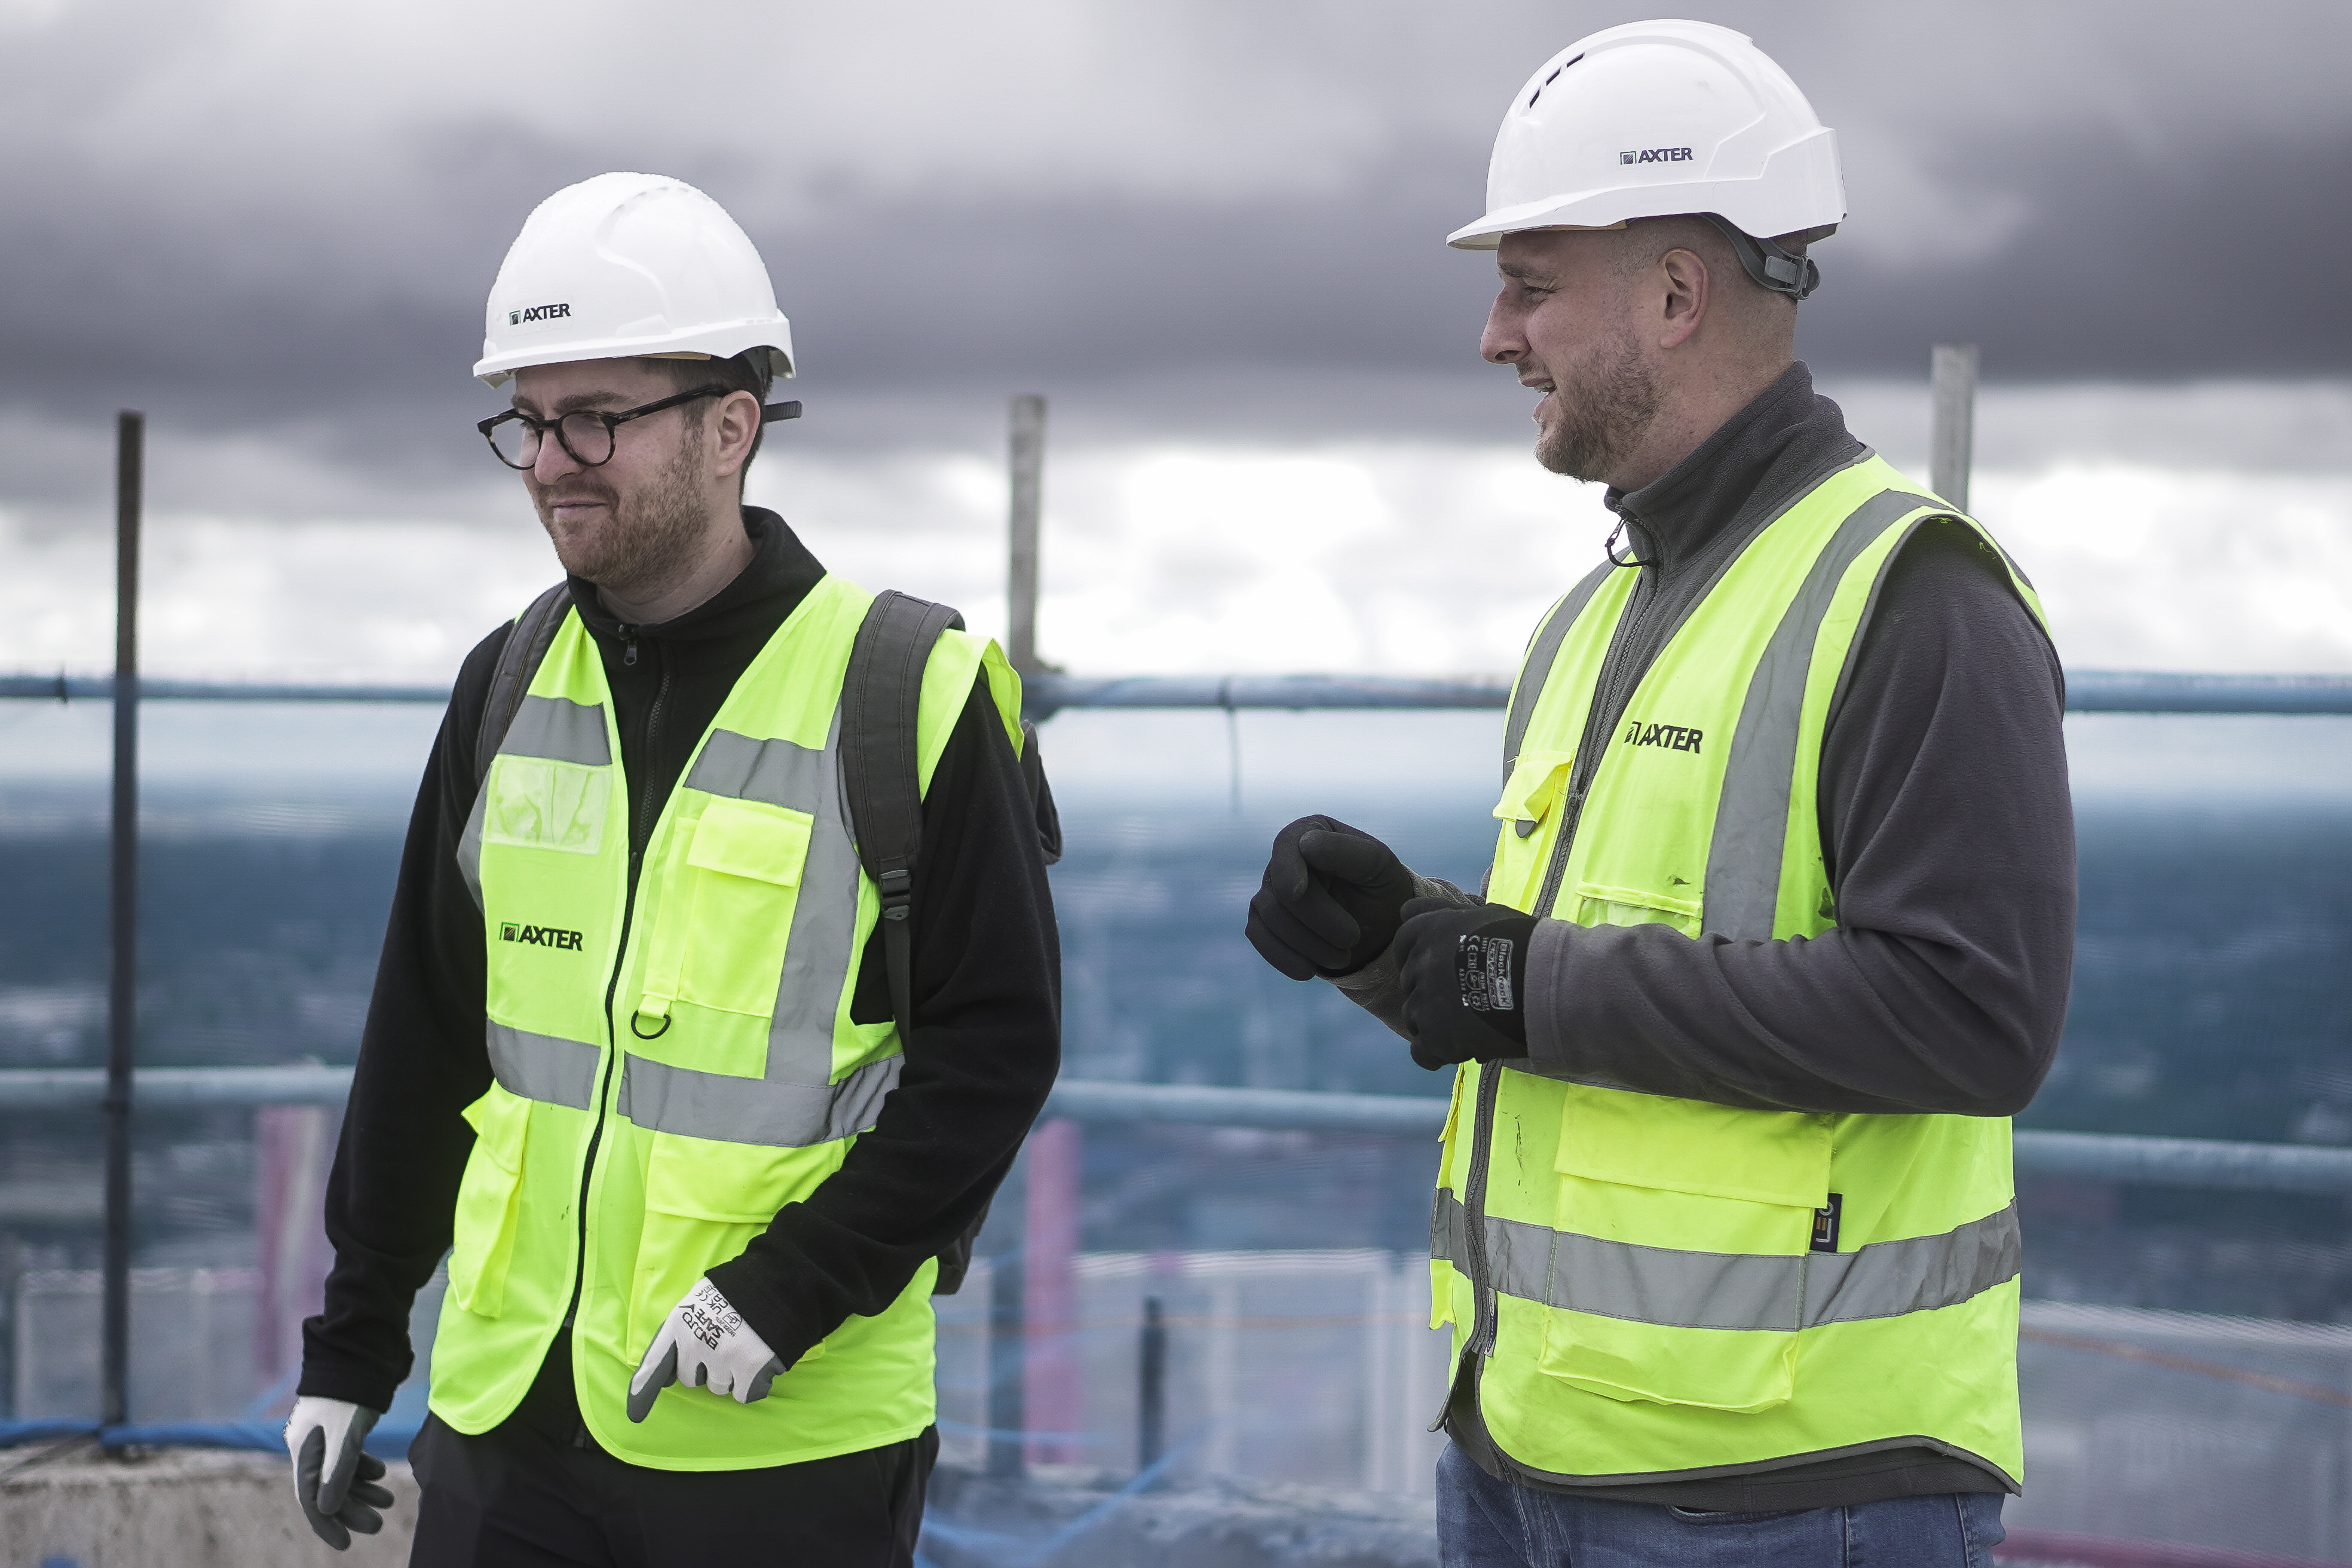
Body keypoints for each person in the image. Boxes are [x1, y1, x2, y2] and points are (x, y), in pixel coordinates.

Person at [1246, 22, 2071, 1567]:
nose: (1496, 336)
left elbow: (1977, 1019)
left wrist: (1505, 975)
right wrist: (1394, 944)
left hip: (1798, 1488)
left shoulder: (1914, 595)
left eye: (1532, 284)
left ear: (1678, 293)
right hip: (1522, 1443)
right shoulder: (1599, 614)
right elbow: (1569, 986)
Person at [281, 172, 1061, 1566]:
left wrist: (784, 1294)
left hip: (779, 1442)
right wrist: (352, 1346)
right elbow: (423, 1037)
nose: (549, 458)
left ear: (730, 426)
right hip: (506, 1416)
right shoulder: (508, 685)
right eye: (526, 417)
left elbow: (996, 1052)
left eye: (595, 415)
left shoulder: (906, 694)